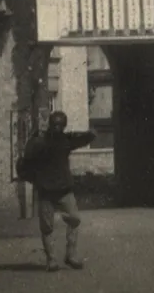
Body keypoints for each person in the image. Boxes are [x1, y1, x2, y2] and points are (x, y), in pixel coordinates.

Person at [21, 111, 95, 272]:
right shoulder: (40, 141)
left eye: (60, 125)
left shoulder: (65, 140)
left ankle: (71, 255)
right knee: (47, 227)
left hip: (64, 189)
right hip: (46, 190)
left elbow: (81, 139)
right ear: (50, 125)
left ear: (64, 126)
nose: (57, 128)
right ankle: (51, 260)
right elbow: (26, 159)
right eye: (54, 125)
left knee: (74, 218)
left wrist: (90, 134)